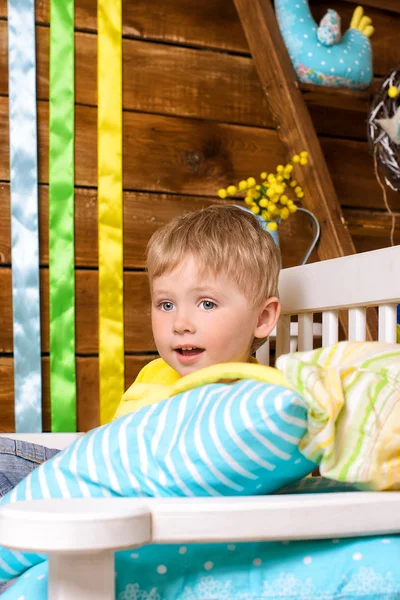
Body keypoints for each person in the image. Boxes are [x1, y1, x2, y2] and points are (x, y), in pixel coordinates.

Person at [0, 205, 281, 496]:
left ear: (261, 318)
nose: (180, 323)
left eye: (207, 303)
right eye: (166, 305)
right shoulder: (157, 372)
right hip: (91, 476)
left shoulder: (260, 401)